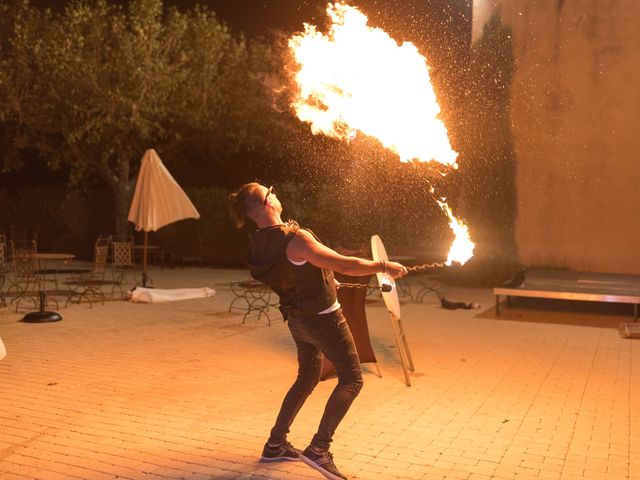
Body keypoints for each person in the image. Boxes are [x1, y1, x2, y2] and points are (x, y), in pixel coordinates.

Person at [229, 182, 407, 480]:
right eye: (270, 190)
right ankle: (319, 449)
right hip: (324, 320)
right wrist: (383, 266)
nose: (275, 191)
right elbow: (343, 263)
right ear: (266, 204)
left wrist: (323, 279)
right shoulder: (295, 238)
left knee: (307, 376)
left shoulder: (259, 242)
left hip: (298, 319)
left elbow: (294, 272)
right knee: (351, 379)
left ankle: (275, 444)